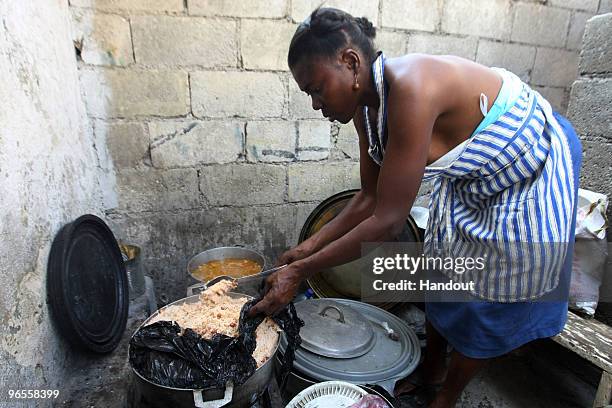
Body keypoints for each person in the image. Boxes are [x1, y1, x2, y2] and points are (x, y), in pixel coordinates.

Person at [248, 7, 582, 408]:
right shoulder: (364, 109)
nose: (316, 104)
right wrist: (305, 249)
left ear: (351, 62)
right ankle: (431, 368)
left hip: (526, 168)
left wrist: (301, 271)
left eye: (318, 88)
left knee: (488, 295)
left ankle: (446, 397)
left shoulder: (412, 88)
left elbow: (387, 223)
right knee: (440, 270)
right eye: (309, 94)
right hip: (476, 179)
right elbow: (369, 198)